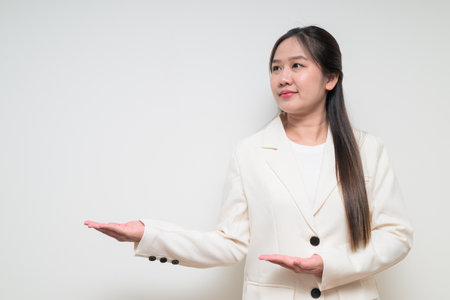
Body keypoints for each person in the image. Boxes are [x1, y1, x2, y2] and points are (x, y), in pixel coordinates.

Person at [85, 26, 413, 299]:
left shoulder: (369, 150)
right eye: (275, 68)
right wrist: (147, 234)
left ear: (330, 79)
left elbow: (396, 236)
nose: (284, 77)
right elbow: (229, 243)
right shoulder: (250, 152)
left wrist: (328, 264)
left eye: (297, 65)